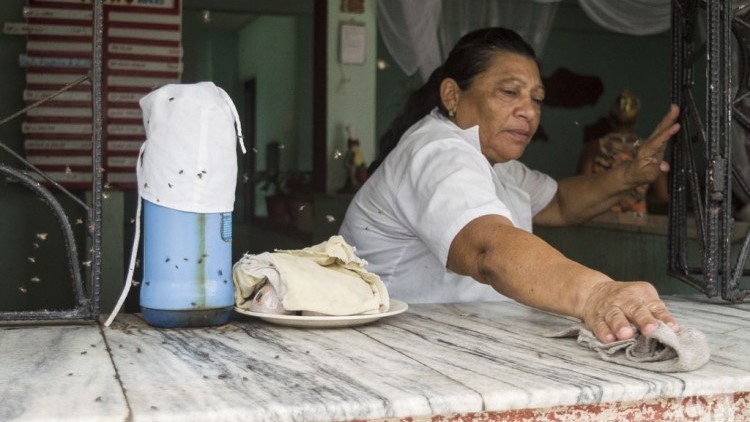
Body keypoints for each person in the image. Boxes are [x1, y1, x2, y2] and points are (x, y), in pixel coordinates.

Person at [338, 27, 681, 344]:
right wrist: (597, 295)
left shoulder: (492, 161)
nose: (529, 111)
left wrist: (628, 176)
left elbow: (560, 202)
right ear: (452, 95)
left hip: (451, 341)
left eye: (537, 98)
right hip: (396, 350)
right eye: (509, 92)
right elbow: (488, 249)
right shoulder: (438, 152)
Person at [578, 89, 669, 215]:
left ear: (611, 118)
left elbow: (583, 189)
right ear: (636, 120)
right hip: (637, 221)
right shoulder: (647, 149)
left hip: (603, 218)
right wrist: (636, 199)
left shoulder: (595, 147)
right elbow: (662, 196)